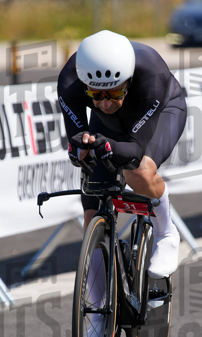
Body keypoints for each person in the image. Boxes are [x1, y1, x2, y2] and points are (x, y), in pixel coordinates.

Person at [58, 29, 187, 280]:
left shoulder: (150, 70)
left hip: (162, 110)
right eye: (96, 94)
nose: (106, 103)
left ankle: (166, 233)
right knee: (91, 211)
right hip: (107, 125)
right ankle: (98, 301)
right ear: (84, 83)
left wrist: (108, 147)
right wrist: (79, 148)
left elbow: (134, 151)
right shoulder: (70, 78)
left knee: (138, 171)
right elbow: (77, 144)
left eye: (115, 92)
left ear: (128, 80)